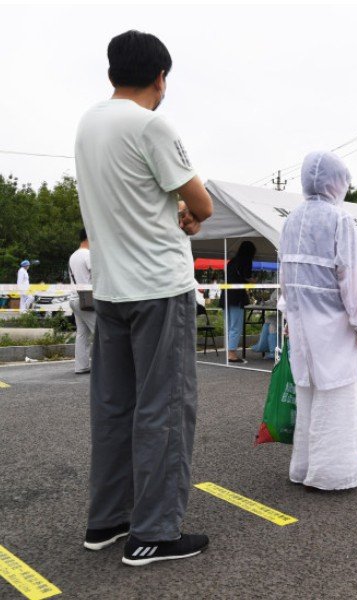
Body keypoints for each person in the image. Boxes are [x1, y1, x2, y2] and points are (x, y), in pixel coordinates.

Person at [74, 30, 213, 565]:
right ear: (161, 77)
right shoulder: (151, 123)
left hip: (109, 289)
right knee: (166, 408)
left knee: (114, 408)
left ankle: (108, 520)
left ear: (112, 73)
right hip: (159, 287)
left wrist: (178, 210)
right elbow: (200, 200)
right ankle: (153, 532)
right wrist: (190, 215)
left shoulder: (89, 123)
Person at [279, 151, 357, 490]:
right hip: (334, 324)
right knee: (337, 396)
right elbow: (350, 276)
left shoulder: (290, 220)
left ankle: (303, 467)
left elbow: (285, 276)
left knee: (307, 393)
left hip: (301, 320)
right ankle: (333, 475)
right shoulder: (339, 219)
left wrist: (289, 314)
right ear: (338, 182)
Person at [219, 241, 256, 363]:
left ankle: (229, 351)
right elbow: (247, 276)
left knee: (229, 325)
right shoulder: (246, 261)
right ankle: (232, 354)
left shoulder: (231, 262)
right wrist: (253, 281)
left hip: (225, 295)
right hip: (237, 296)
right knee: (236, 325)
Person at [69, 229, 96, 374]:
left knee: (82, 333)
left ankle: (81, 366)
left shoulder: (73, 256)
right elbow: (98, 275)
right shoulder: (88, 255)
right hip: (87, 300)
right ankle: (105, 367)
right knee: (101, 331)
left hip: (74, 299)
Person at [250, 294, 278, 360]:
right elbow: (272, 301)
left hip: (286, 317)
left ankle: (273, 352)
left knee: (272, 325)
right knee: (268, 319)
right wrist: (264, 303)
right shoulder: (276, 290)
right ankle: (263, 346)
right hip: (279, 315)